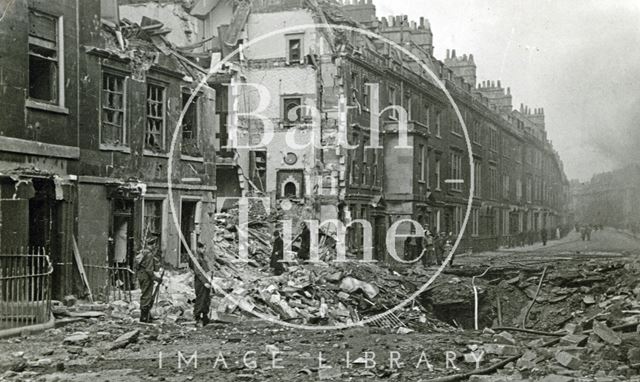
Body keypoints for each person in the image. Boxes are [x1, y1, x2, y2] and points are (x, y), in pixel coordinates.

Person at [135, 248, 162, 323]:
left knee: (146, 295)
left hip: (142, 275)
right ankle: (144, 317)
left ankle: (147, 315)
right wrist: (156, 278)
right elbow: (149, 270)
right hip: (146, 277)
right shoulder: (149, 255)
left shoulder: (143, 253)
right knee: (146, 295)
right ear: (153, 245)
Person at [189, 242, 212, 326]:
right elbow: (198, 272)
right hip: (200, 282)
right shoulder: (196, 258)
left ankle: (205, 316)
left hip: (206, 280)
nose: (204, 250)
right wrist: (204, 282)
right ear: (198, 248)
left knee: (206, 299)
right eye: (203, 248)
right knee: (201, 299)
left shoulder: (202, 257)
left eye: (205, 248)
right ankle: (197, 317)